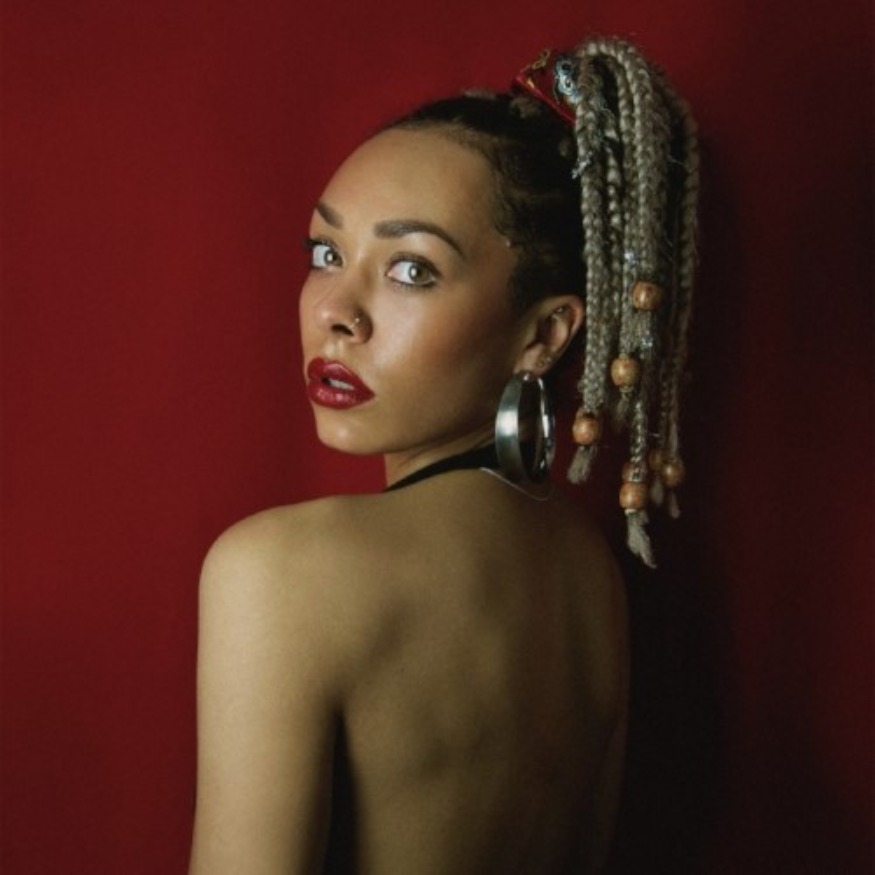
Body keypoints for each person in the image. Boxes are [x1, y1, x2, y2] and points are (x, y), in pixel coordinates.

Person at [189, 36, 698, 875]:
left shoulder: (281, 572)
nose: (337, 312)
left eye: (411, 270)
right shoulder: (586, 574)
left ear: (543, 334)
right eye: (326, 254)